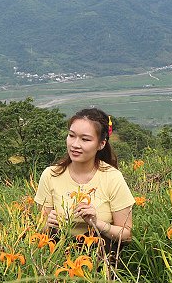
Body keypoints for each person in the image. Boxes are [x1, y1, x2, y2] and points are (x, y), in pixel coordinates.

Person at [34, 107, 134, 250]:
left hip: (99, 253)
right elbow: (41, 229)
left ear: (101, 144)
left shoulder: (112, 177)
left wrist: (97, 223)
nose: (75, 145)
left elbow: (126, 235)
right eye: (71, 135)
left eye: (85, 139)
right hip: (58, 250)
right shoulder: (51, 175)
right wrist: (47, 224)